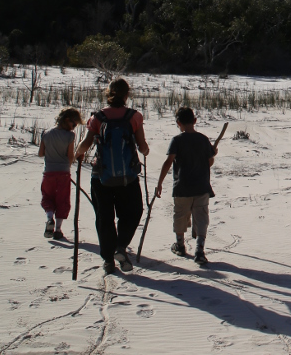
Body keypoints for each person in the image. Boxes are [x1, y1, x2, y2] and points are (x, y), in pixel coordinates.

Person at [75, 79, 150, 275]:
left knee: (104, 218)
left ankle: (108, 260)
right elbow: (142, 146)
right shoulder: (134, 117)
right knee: (133, 212)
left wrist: (76, 154)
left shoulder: (97, 117)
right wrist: (145, 151)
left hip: (101, 176)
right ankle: (121, 246)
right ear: (127, 95)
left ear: (108, 94)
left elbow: (85, 144)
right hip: (128, 177)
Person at [155, 107, 216, 266]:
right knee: (201, 216)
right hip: (201, 186)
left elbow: (169, 161)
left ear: (178, 123)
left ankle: (180, 245)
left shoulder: (177, 140)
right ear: (194, 121)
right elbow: (209, 162)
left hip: (182, 186)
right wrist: (212, 154)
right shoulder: (203, 139)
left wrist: (160, 182)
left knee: (180, 215)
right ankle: (200, 249)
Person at [38, 107, 83, 242]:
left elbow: (40, 153)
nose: (74, 127)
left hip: (48, 172)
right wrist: (68, 166)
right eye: (74, 124)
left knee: (47, 197)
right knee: (62, 200)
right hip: (63, 173)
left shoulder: (46, 133)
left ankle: (49, 218)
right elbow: (70, 156)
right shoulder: (70, 136)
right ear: (67, 120)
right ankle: (57, 230)